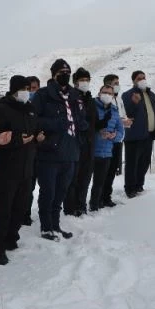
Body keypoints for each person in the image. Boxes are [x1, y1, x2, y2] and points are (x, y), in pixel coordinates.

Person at [0, 76, 44, 265]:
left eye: (29, 88)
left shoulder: (30, 109)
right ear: (14, 90)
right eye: (24, 89)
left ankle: (12, 238)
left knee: (21, 206)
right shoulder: (1, 111)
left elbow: (35, 131)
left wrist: (39, 137)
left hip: (27, 166)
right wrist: (16, 140)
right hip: (7, 167)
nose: (27, 92)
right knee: (5, 207)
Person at [33, 59, 87, 241]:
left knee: (61, 193)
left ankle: (55, 224)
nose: (65, 75)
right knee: (48, 192)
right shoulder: (42, 95)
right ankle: (46, 227)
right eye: (61, 73)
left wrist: (82, 124)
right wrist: (56, 124)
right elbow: (34, 120)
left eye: (68, 73)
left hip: (70, 152)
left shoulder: (74, 95)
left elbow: (80, 118)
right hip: (50, 152)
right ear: (54, 75)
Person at [122, 71, 155, 197]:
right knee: (132, 164)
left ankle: (139, 185)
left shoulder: (151, 94)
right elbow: (126, 113)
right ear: (134, 81)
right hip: (134, 136)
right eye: (139, 78)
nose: (142, 80)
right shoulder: (128, 95)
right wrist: (134, 103)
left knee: (144, 162)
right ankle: (130, 188)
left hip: (148, 135)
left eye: (144, 77)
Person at [64, 68, 96, 217]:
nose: (85, 82)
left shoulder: (90, 99)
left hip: (89, 143)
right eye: (82, 80)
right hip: (75, 142)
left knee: (86, 176)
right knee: (73, 178)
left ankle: (81, 205)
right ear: (75, 82)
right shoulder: (71, 98)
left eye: (87, 80)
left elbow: (93, 121)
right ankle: (70, 208)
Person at [89, 85, 125, 212]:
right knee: (82, 182)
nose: (107, 95)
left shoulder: (114, 111)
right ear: (99, 93)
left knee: (100, 182)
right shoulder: (92, 106)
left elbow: (121, 132)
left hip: (106, 152)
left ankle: (95, 205)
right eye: (105, 92)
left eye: (110, 93)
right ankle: (78, 207)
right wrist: (97, 132)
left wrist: (114, 136)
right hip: (90, 151)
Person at [102, 74, 132, 207]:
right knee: (105, 170)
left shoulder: (119, 99)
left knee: (113, 169)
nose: (118, 86)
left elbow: (122, 115)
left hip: (118, 139)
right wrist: (121, 121)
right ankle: (100, 197)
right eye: (116, 83)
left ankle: (107, 196)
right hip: (107, 140)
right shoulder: (105, 100)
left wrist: (126, 121)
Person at [23, 77, 42, 226]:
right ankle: (23, 214)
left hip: (42, 152)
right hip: (25, 154)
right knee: (26, 186)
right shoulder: (21, 107)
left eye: (34, 88)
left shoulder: (42, 106)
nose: (31, 92)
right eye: (28, 89)